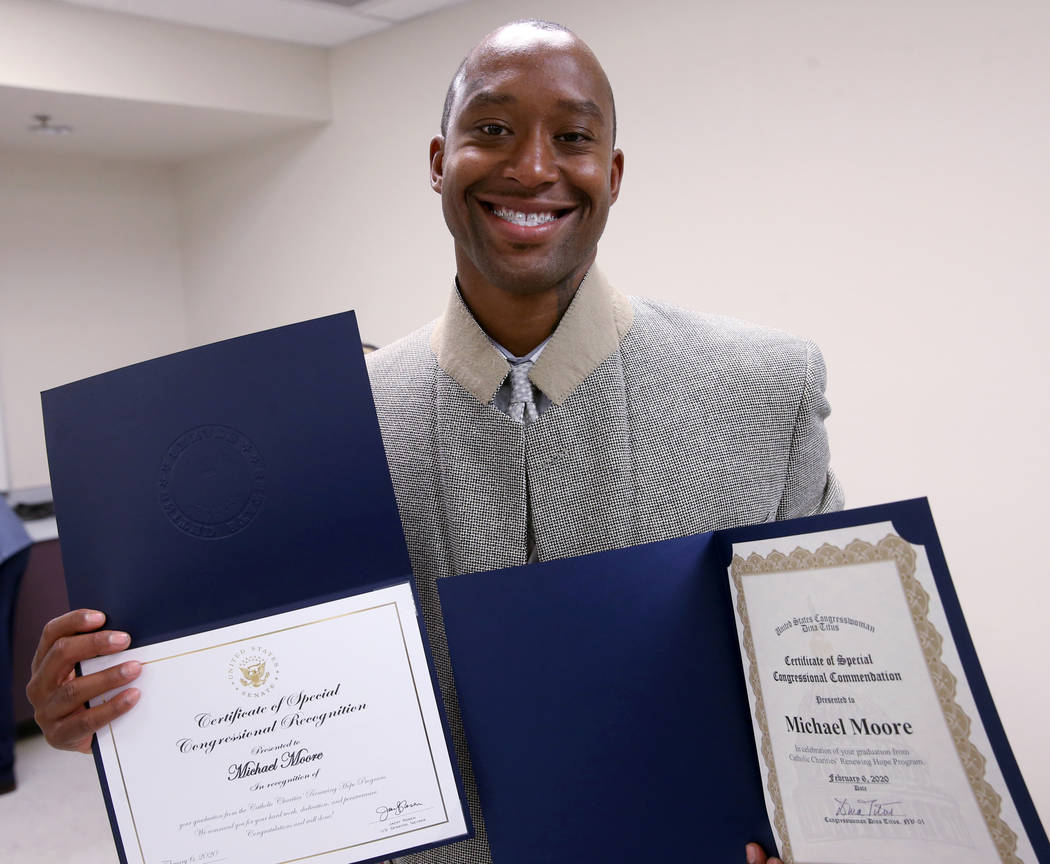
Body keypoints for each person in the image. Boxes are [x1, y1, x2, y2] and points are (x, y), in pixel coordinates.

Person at [27, 20, 840, 864]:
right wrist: (105, 707)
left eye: (572, 137)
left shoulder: (765, 389)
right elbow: (239, 696)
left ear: (614, 173)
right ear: (437, 161)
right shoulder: (321, 428)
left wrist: (824, 830)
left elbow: (825, 672)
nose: (531, 167)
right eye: (490, 129)